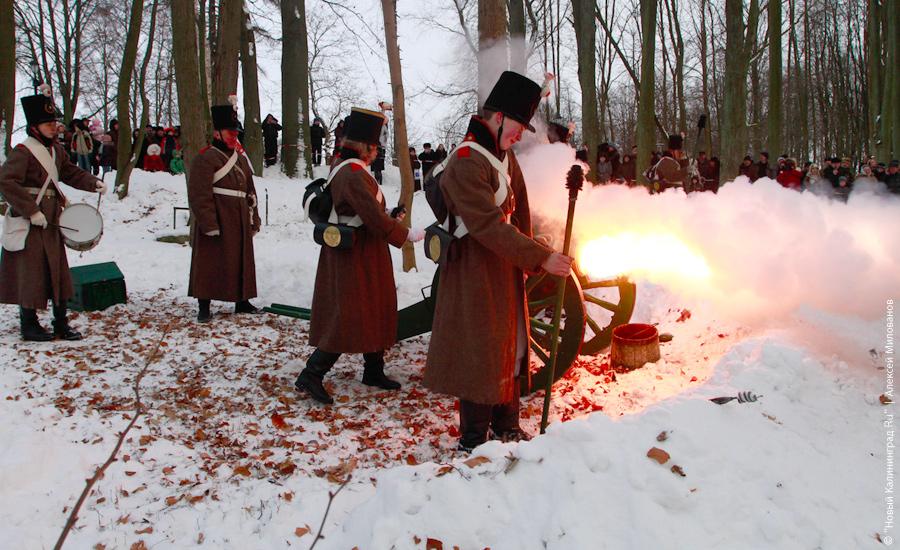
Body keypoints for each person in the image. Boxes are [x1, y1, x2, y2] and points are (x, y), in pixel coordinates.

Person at [422, 71, 573, 452]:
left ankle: (506, 425)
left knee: (513, 343)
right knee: (482, 349)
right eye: (518, 125)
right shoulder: (468, 160)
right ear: (498, 116)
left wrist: (534, 251)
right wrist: (540, 258)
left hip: (502, 262)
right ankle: (474, 439)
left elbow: (519, 211)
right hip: (474, 266)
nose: (520, 134)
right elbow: (487, 225)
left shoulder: (502, 157)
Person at [294, 107, 425, 405]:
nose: (376, 150)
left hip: (365, 251)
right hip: (354, 256)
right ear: (364, 145)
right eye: (374, 145)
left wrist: (389, 213)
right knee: (349, 315)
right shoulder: (352, 173)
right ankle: (311, 374)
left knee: (375, 308)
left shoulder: (354, 170)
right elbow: (372, 218)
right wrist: (407, 234)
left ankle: (373, 370)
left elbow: (366, 212)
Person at [0, 87, 107, 341]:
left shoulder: (56, 151)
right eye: (48, 123)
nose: (54, 127)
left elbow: (70, 172)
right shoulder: (23, 152)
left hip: (53, 217)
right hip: (31, 219)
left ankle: (61, 322)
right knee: (31, 271)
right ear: (35, 127)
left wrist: (93, 183)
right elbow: (6, 181)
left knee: (58, 270)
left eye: (54, 122)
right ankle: (29, 324)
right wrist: (31, 210)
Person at [187, 100, 262, 323]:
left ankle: (242, 301)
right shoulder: (206, 157)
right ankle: (204, 305)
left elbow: (250, 189)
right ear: (217, 133)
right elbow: (199, 194)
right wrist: (209, 223)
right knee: (210, 262)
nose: (233, 136)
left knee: (241, 259)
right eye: (230, 132)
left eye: (235, 132)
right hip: (218, 216)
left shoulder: (240, 159)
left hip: (238, 216)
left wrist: (253, 217)